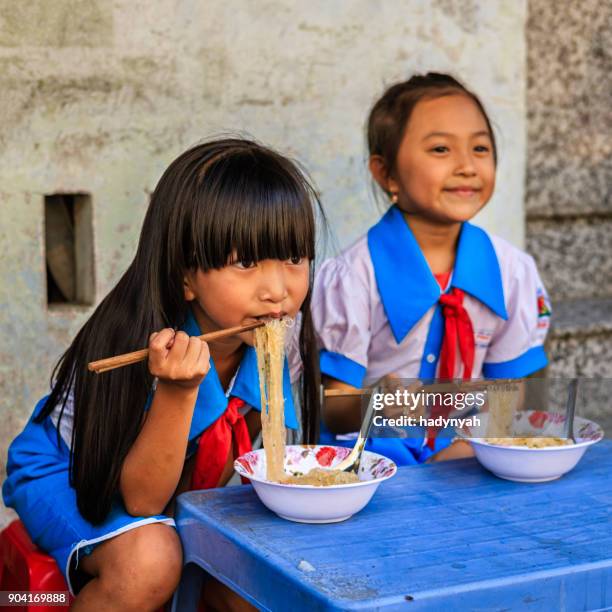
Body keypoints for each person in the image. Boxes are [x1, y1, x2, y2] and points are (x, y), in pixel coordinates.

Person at [3, 138, 322, 611]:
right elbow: (143, 502)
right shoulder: (132, 341)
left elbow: (247, 441)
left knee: (268, 565)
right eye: (246, 262)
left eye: (294, 258)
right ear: (186, 277)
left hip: (173, 487)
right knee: (150, 561)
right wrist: (178, 391)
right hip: (71, 474)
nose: (278, 290)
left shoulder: (281, 341)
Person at [312, 73, 551, 464]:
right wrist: (377, 402)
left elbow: (510, 392)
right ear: (386, 173)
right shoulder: (353, 277)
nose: (467, 166)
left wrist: (479, 440)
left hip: (465, 448)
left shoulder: (511, 272)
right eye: (441, 149)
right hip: (374, 456)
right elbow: (332, 407)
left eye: (480, 148)